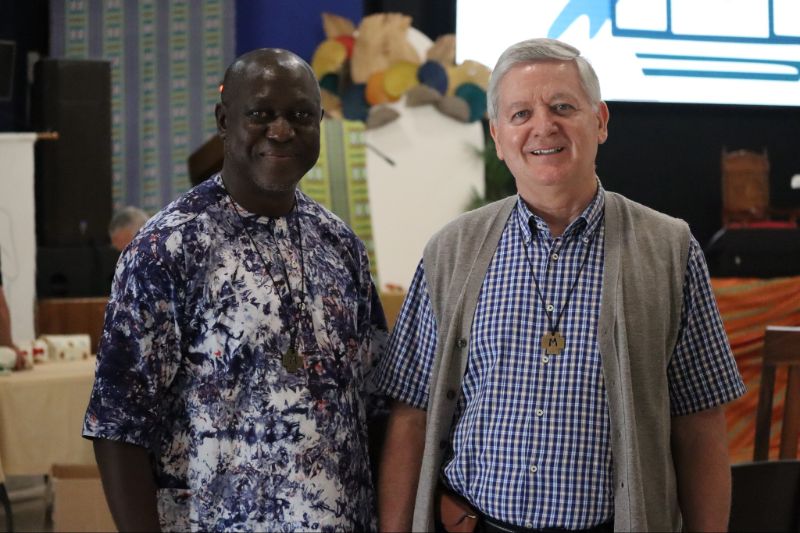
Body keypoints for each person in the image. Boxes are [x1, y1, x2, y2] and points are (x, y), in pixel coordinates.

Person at [376, 38, 745, 533]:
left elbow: (700, 423)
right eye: (520, 113)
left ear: (601, 121)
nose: (543, 126)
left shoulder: (670, 250)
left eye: (563, 107)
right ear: (498, 136)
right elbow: (411, 415)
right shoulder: (451, 251)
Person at [84, 48, 386, 531]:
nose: (281, 130)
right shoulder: (167, 247)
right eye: (261, 114)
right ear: (225, 122)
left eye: (300, 115)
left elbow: (374, 405)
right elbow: (117, 425)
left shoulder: (340, 245)